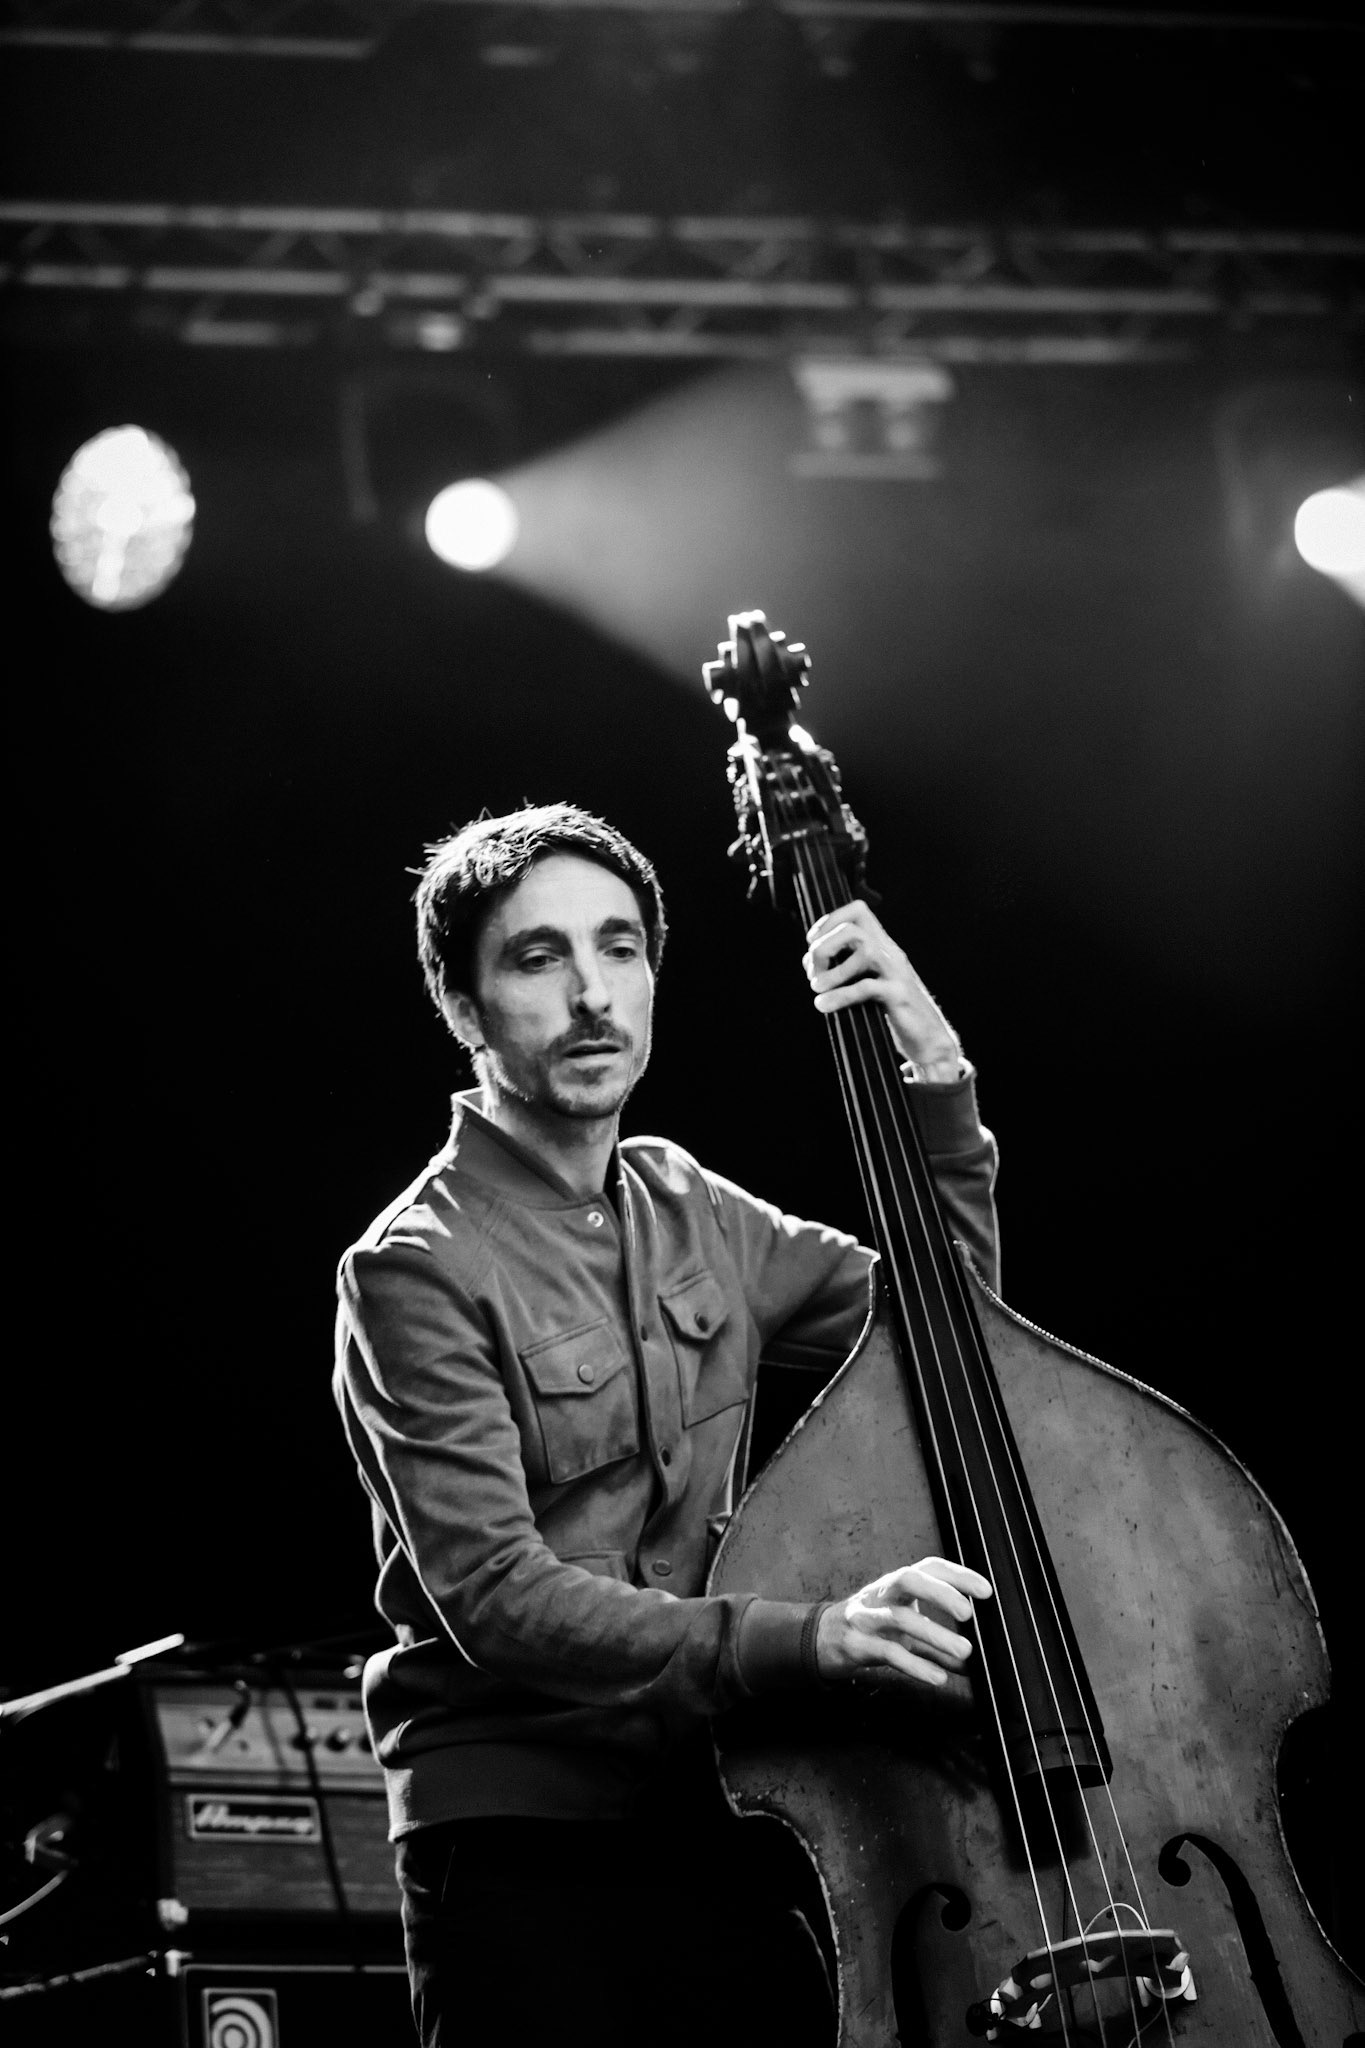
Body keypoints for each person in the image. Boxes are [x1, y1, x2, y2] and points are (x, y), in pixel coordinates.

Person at [333, 803, 997, 2048]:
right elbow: (494, 1591)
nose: (591, 992)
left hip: (732, 1813)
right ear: (464, 1008)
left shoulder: (691, 1201)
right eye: (539, 958)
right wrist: (815, 1638)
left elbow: (954, 1342)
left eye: (621, 947)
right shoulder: (411, 1267)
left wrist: (937, 1078)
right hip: (521, 1842)